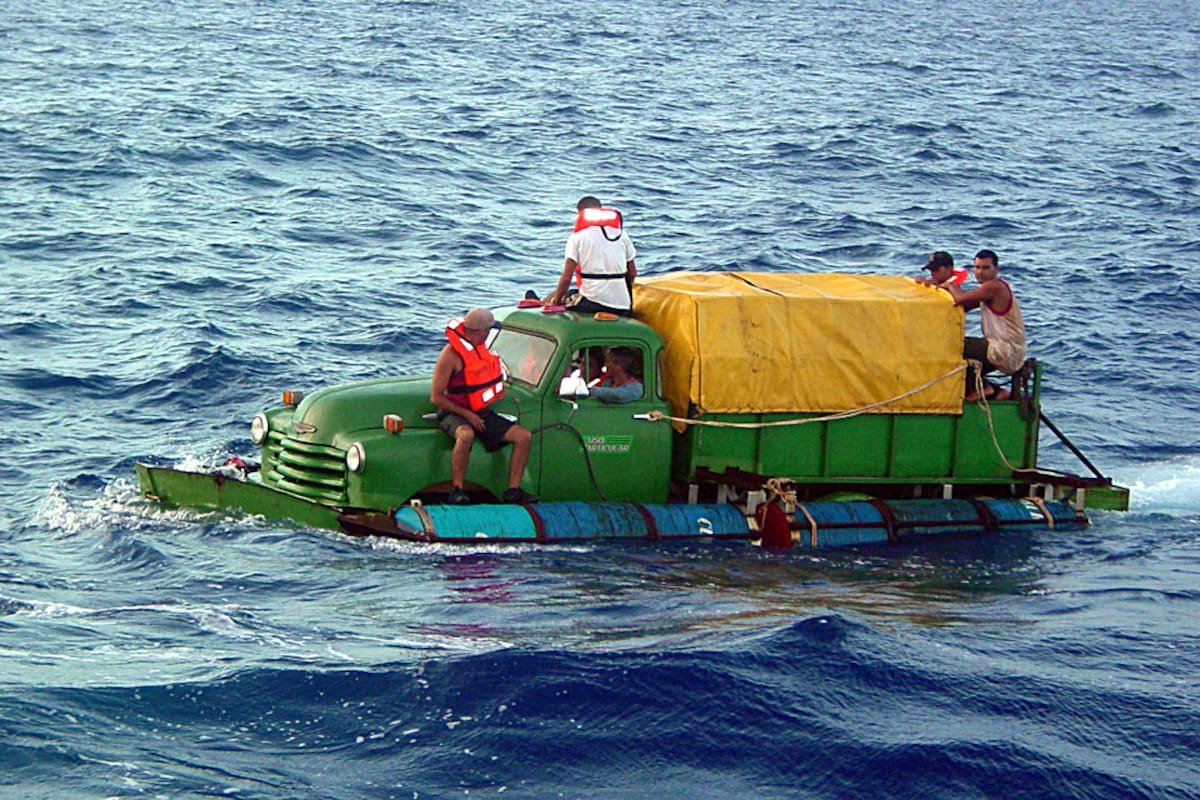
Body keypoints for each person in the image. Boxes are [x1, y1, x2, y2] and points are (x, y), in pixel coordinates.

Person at [430, 308, 539, 504]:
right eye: (488, 330)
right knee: (466, 435)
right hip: (453, 412)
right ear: (480, 331)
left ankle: (513, 490)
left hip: (479, 411)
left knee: (523, 436)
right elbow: (436, 398)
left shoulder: (480, 350)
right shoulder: (450, 355)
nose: (488, 334)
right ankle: (456, 489)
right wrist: (468, 415)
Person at [942, 249, 1027, 401]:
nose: (980, 272)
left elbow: (960, 299)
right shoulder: (987, 291)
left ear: (996, 269)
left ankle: (982, 388)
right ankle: (995, 391)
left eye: (986, 268)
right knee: (958, 348)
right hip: (1006, 351)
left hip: (1004, 350)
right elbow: (964, 306)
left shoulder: (995, 287)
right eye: (977, 267)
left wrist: (950, 284)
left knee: (952, 346)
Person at [548, 195, 638, 316]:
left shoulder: (577, 237)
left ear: (580, 214)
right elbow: (632, 273)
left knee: (562, 296)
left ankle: (540, 303)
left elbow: (566, 279)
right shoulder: (622, 235)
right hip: (623, 305)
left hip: (592, 304)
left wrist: (556, 303)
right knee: (572, 292)